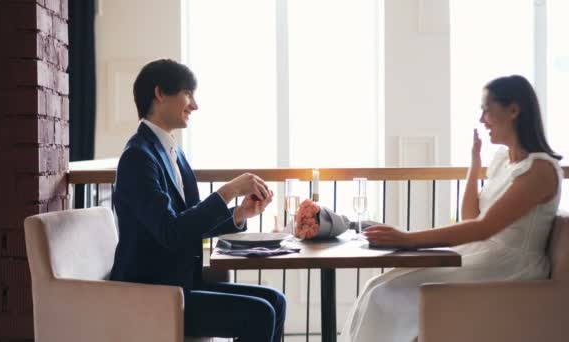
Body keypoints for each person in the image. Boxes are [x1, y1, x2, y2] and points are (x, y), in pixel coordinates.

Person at [340, 75, 564, 342]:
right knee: (377, 285)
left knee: (386, 291)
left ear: (514, 110)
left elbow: (483, 228)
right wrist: (474, 164)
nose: (482, 120)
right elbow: (472, 216)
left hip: (510, 265)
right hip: (484, 254)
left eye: (487, 109)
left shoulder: (539, 169)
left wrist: (408, 239)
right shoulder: (504, 161)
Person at [110, 59, 286, 341]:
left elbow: (188, 223)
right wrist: (228, 190)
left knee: (276, 301)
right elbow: (170, 232)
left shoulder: (173, 153)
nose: (195, 105)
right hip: (153, 293)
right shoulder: (137, 157)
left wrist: (239, 214)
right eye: (188, 93)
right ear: (160, 94)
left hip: (182, 283)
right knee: (260, 313)